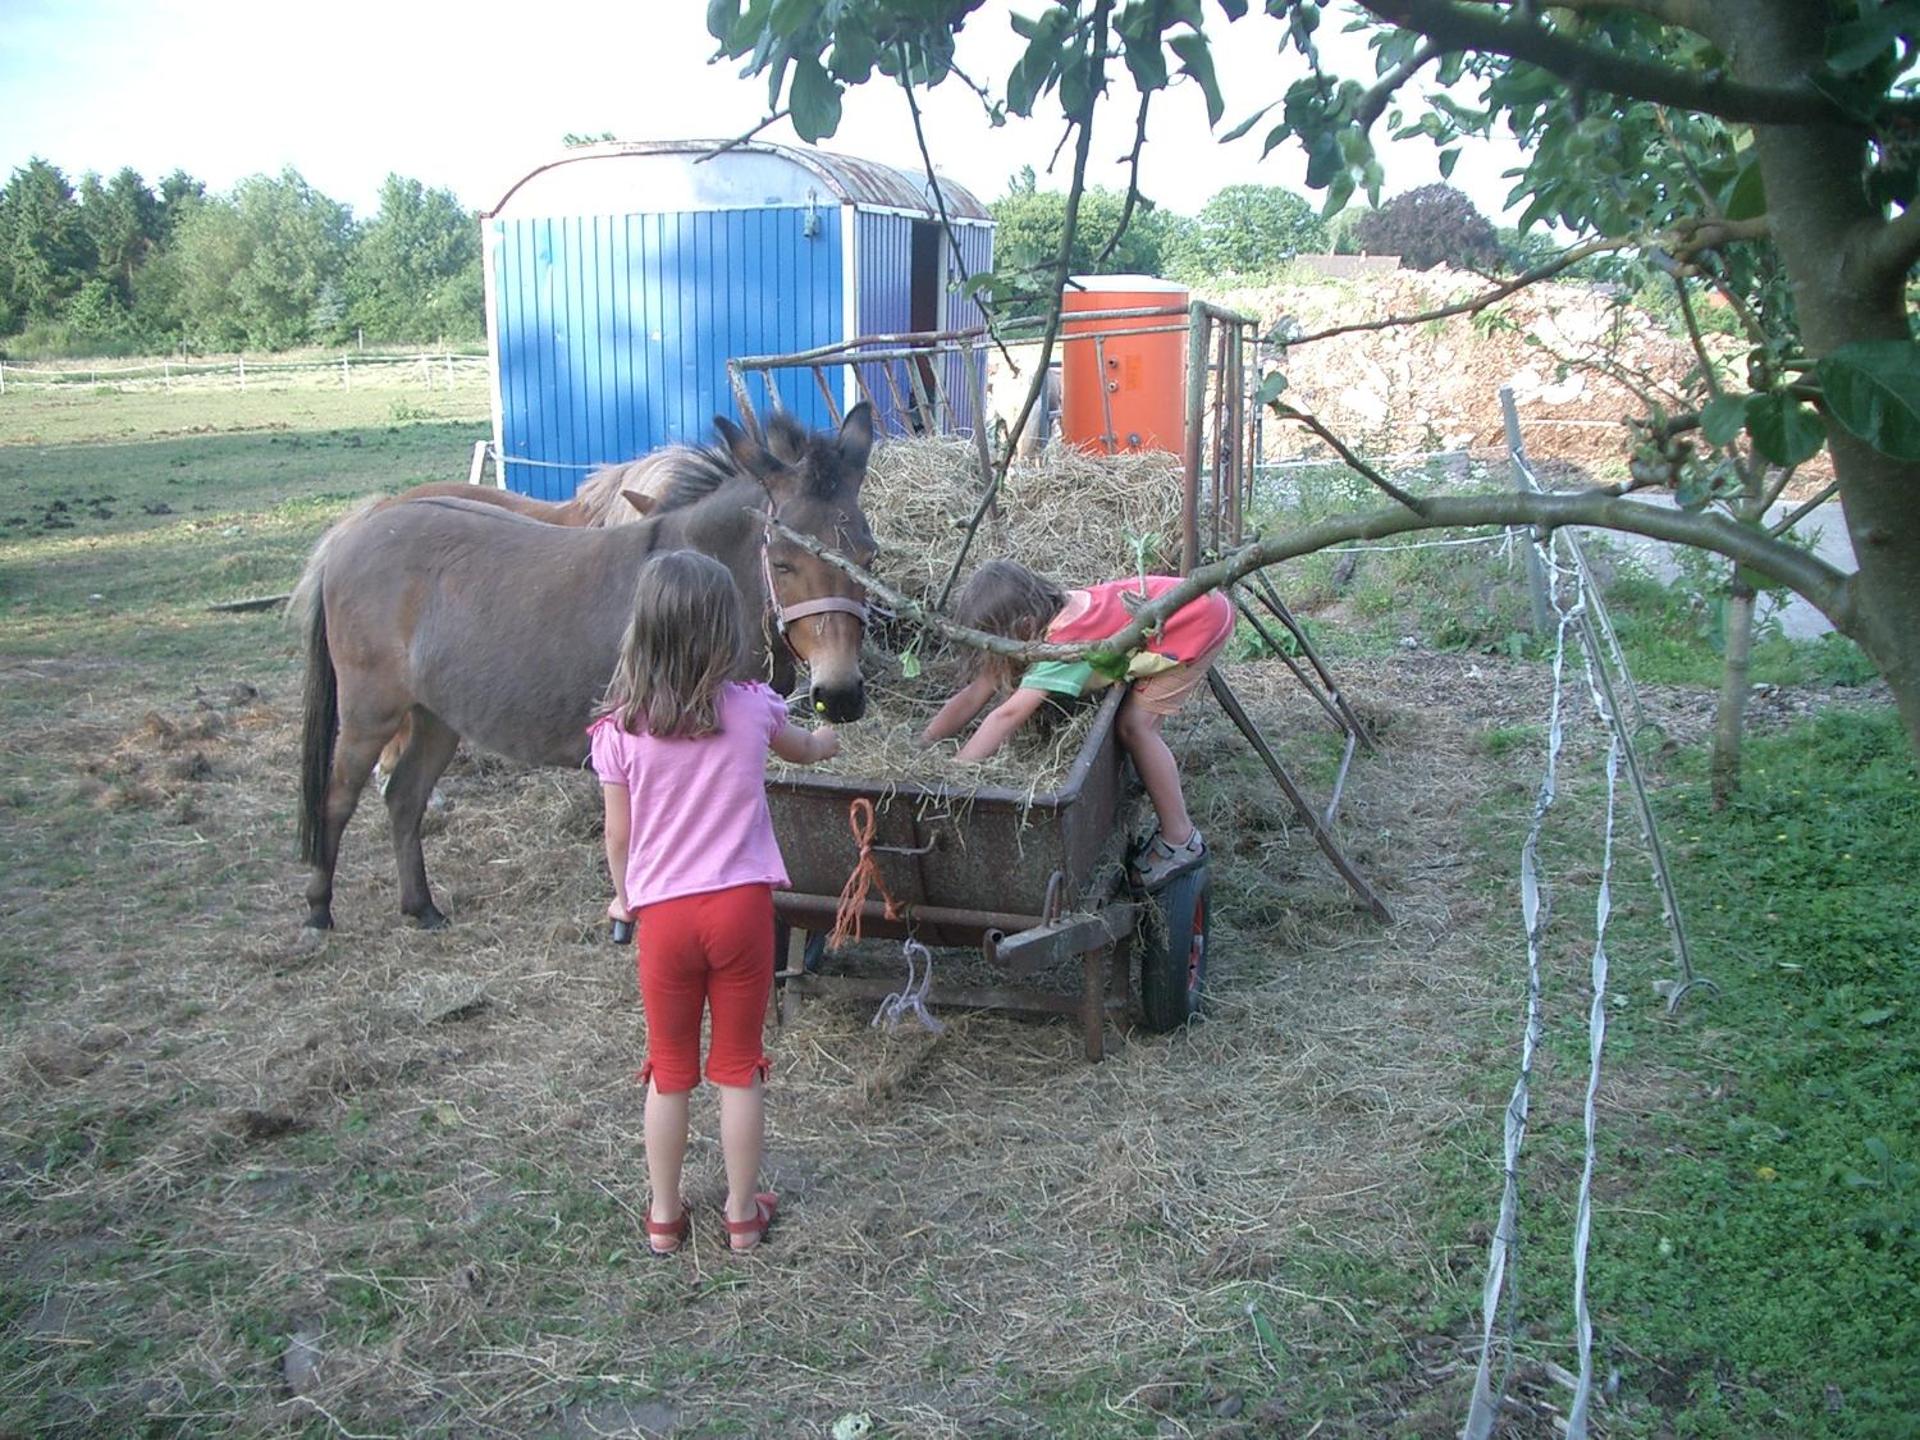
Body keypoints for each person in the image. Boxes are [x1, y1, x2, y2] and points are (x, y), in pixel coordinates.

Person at [590, 550, 839, 1255]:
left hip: (664, 918)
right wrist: (828, 737)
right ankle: (739, 1216)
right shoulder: (755, 708)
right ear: (723, 628)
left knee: (669, 1073)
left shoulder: (618, 730)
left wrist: (625, 896)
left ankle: (664, 1218)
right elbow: (805, 749)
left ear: (645, 629)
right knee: (738, 1067)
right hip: (740, 912)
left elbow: (620, 834)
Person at [920, 559, 1234, 890]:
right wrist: (924, 744)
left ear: (1025, 627)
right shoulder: (1054, 607)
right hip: (1187, 598)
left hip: (1197, 621)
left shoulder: (1064, 648)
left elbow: (1008, 715)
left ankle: (1181, 839)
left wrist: (956, 772)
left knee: (1134, 727)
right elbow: (978, 691)